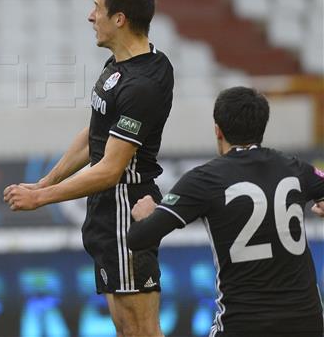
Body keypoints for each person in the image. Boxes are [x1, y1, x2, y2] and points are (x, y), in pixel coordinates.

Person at [3, 0, 173, 337]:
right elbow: (94, 133)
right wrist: (46, 180)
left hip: (126, 209)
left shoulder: (142, 85)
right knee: (125, 325)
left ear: (120, 19)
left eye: (97, 8)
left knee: (141, 328)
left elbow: (110, 169)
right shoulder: (122, 66)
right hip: (106, 211)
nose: (90, 16)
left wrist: (41, 198)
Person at [128, 86, 324, 337]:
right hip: (306, 322)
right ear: (262, 126)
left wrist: (145, 217)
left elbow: (139, 238)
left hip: (242, 323)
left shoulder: (204, 179)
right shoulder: (295, 167)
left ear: (218, 130)